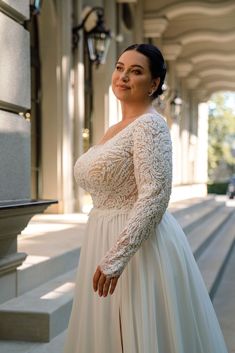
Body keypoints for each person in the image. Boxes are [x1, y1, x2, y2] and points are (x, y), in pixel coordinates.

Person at [63, 43, 228, 353]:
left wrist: (117, 258)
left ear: (154, 84)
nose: (123, 76)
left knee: (137, 333)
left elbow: (154, 195)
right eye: (120, 68)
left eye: (135, 71)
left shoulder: (151, 125)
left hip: (139, 248)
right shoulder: (114, 129)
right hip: (101, 232)